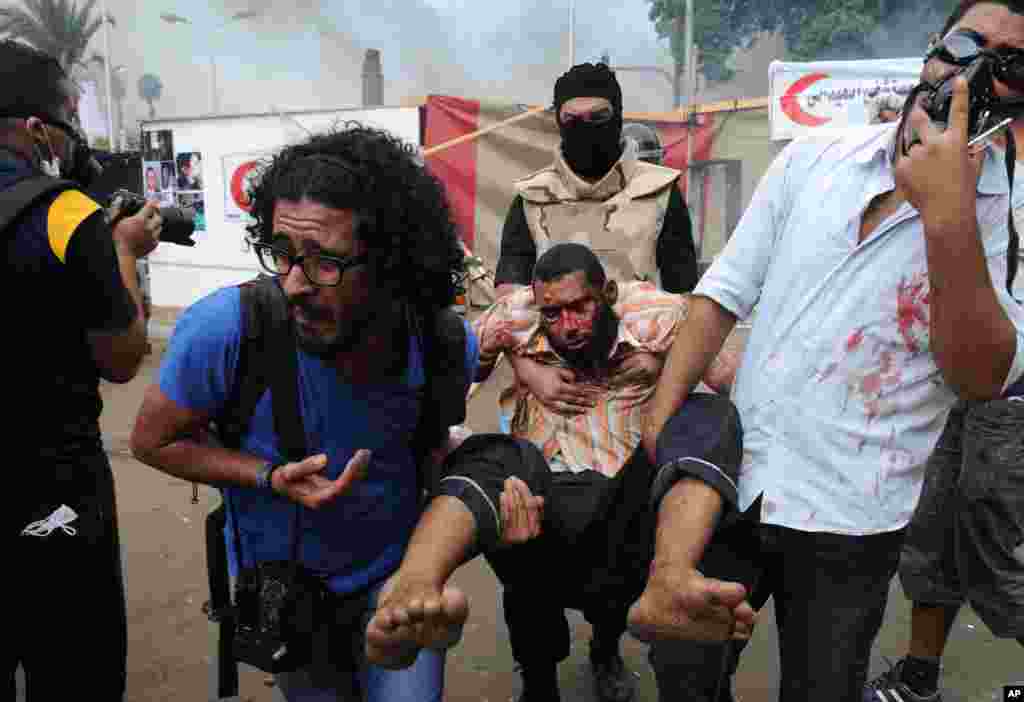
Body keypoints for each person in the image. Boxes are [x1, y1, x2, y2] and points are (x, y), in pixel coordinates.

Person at [631, 1, 1024, 701]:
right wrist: (658, 423)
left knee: (821, 687)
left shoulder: (1011, 222)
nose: (975, 72)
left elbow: (978, 376)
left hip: (854, 519)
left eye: (1011, 64)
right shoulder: (814, 158)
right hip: (738, 482)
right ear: (934, 47)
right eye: (968, 43)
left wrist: (948, 217)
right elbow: (721, 294)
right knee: (686, 671)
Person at [129, 124, 478, 702]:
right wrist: (264, 476)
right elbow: (151, 442)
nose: (294, 283)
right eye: (283, 254)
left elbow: (434, 450)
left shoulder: (444, 345)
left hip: (395, 584)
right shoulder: (224, 331)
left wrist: (482, 496)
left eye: (324, 262)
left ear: (391, 262)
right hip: (288, 598)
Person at [364, 243, 755, 702]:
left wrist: (670, 372)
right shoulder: (515, 318)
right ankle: (414, 590)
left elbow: (740, 389)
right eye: (553, 314)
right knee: (498, 458)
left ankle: (664, 586)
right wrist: (518, 363)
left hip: (627, 497)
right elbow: (448, 393)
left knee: (707, 412)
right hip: (539, 499)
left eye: (580, 307)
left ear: (607, 293)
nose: (567, 327)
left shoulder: (659, 316)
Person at [1, 40, 163, 700]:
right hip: (50, 485)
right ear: (36, 129)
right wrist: (124, 248)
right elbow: (122, 357)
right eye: (69, 119)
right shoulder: (67, 213)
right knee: (74, 671)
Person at [493, 62, 698, 299]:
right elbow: (510, 300)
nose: (584, 128)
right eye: (571, 118)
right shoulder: (532, 197)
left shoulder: (660, 192)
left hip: (643, 334)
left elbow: (684, 299)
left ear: (618, 117)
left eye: (598, 116)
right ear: (559, 121)